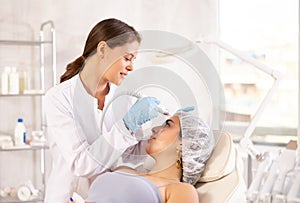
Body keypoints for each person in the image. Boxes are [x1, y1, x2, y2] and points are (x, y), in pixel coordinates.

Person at [44, 18, 161, 202]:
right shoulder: (59, 98)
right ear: (102, 50)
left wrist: (160, 134)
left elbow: (129, 153)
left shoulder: (124, 98)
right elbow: (81, 164)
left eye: (134, 60)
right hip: (67, 197)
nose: (131, 67)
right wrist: (125, 126)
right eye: (127, 58)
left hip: (106, 197)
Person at [85, 110, 215, 203]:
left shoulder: (181, 190)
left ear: (186, 143)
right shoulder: (124, 169)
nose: (154, 128)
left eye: (168, 124)